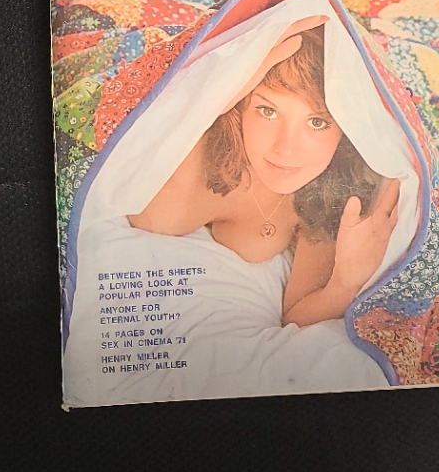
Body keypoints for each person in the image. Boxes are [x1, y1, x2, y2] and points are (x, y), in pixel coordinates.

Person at [127, 21, 402, 327]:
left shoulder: (331, 189)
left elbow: (297, 313)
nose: (286, 149)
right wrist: (206, 101)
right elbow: (125, 184)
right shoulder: (199, 139)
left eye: (317, 122)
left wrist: (346, 281)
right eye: (268, 111)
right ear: (241, 103)